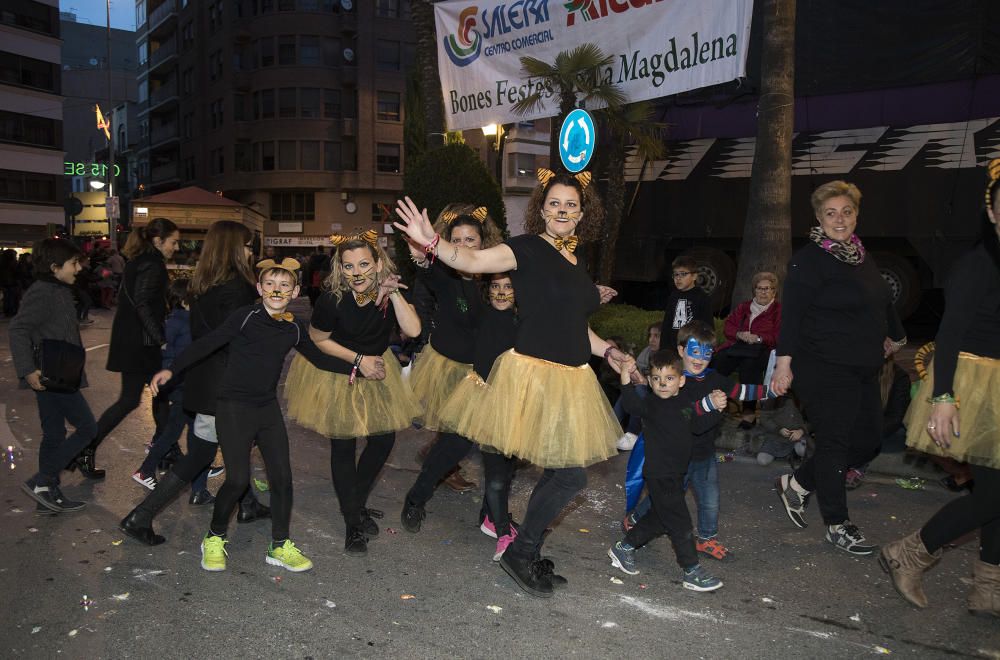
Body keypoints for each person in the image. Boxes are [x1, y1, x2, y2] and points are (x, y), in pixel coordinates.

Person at [394, 168, 630, 598]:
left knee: (566, 475)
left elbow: (574, 327)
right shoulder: (525, 250)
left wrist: (610, 352)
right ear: (542, 210)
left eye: (570, 205)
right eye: (554, 203)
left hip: (571, 379)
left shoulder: (577, 263)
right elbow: (471, 260)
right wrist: (432, 242)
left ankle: (522, 551)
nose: (562, 210)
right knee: (569, 477)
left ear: (582, 214)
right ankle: (521, 552)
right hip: (536, 379)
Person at [879, 159, 1000, 616]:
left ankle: (989, 587)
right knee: (994, 493)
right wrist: (944, 398)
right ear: (992, 212)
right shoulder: (979, 263)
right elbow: (949, 335)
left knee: (996, 490)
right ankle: (910, 552)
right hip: (973, 382)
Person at [149, 259, 313, 572]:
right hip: (233, 407)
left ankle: (279, 545)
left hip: (266, 408)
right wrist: (171, 369)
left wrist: (358, 366)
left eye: (284, 285)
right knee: (237, 480)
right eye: (270, 284)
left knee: (283, 479)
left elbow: (319, 358)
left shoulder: (293, 328)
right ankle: (214, 537)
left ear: (295, 291)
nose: (276, 290)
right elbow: (207, 344)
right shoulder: (245, 316)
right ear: (259, 288)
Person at [771, 180, 907, 556]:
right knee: (834, 442)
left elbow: (881, 300)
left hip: (864, 364)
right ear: (818, 218)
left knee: (868, 441)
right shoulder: (808, 260)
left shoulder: (861, 255)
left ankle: (797, 484)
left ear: (857, 214)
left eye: (846, 211)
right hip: (822, 365)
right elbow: (792, 317)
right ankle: (837, 525)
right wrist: (783, 365)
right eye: (830, 213)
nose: (839, 219)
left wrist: (894, 336)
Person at [119, 220, 265, 546]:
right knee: (200, 456)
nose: (249, 250)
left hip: (205, 381)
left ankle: (249, 505)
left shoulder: (203, 283)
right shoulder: (239, 287)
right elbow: (236, 340)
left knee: (232, 448)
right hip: (227, 387)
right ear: (232, 248)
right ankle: (140, 517)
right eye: (246, 244)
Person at [282, 230, 421, 556]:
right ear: (339, 269)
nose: (357, 273)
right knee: (343, 445)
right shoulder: (332, 299)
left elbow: (413, 330)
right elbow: (317, 339)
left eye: (363, 264)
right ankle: (351, 523)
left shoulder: (389, 293)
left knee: (383, 440)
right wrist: (359, 362)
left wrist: (394, 294)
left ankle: (354, 503)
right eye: (348, 266)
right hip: (338, 370)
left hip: (378, 371)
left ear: (377, 264)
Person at [623, 321, 773, 562]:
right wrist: (710, 405)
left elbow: (742, 392)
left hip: (704, 455)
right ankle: (636, 519)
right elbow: (683, 415)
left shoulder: (715, 379)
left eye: (707, 353)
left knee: (710, 498)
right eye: (694, 351)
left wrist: (772, 390)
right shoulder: (672, 383)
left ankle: (707, 538)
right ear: (682, 351)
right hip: (676, 458)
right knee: (664, 498)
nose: (700, 358)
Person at [401, 205, 504, 533]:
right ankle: (416, 498)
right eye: (455, 239)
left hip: (492, 373)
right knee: (456, 443)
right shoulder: (444, 272)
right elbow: (427, 270)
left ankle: (492, 515)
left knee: (498, 448)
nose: (462, 245)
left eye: (470, 239)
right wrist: (420, 253)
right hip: (451, 370)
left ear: (484, 242)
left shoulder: (498, 277)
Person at [608, 352, 724, 592]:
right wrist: (624, 375)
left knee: (661, 519)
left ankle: (624, 547)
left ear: (681, 381)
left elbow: (698, 426)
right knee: (680, 524)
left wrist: (716, 408)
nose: (662, 383)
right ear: (650, 381)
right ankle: (691, 570)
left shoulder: (684, 404)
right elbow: (630, 404)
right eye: (657, 378)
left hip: (676, 474)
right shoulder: (651, 404)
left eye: (669, 378)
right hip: (660, 474)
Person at [72, 218, 179, 479]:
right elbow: (142, 304)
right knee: (140, 398)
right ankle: (86, 446)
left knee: (159, 396)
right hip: (141, 344)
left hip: (135, 341)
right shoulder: (152, 264)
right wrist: (160, 338)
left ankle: (169, 450)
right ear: (158, 240)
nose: (176, 247)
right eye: (173, 242)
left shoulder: (140, 261)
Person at [436, 273, 521, 559]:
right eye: (495, 287)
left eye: (508, 287)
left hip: (518, 403)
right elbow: (455, 289)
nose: (501, 292)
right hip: (485, 402)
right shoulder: (481, 315)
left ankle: (491, 517)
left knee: (508, 468)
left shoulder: (526, 321)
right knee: (496, 473)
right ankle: (502, 534)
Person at [10, 239, 97, 513]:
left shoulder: (57, 289)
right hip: (51, 375)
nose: (79, 268)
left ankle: (46, 495)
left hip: (57, 374)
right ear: (54, 267)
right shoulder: (44, 292)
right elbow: (19, 329)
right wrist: (26, 370)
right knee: (87, 428)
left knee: (54, 432)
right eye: (74, 263)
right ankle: (43, 480)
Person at [129, 279, 212, 503]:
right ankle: (196, 483)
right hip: (182, 386)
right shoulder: (182, 322)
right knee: (195, 437)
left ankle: (198, 485)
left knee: (178, 434)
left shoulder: (179, 320)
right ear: (186, 299)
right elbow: (174, 355)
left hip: (182, 386)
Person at [712, 271, 781, 429]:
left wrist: (759, 338)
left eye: (767, 288)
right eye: (759, 288)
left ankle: (748, 413)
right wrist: (739, 334)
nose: (763, 292)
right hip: (740, 346)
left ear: (773, 291)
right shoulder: (744, 307)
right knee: (719, 361)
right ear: (754, 290)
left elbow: (779, 335)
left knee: (749, 365)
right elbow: (728, 327)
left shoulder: (778, 310)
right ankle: (717, 404)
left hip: (764, 349)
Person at [844, 355, 911, 489]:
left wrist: (867, 432)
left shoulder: (899, 377)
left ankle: (856, 467)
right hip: (858, 427)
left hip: (886, 432)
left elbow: (895, 418)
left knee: (864, 437)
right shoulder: (856, 370)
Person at [615, 323, 661, 451]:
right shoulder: (646, 352)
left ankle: (632, 433)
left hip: (659, 394)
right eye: (650, 335)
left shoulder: (665, 356)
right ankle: (610, 428)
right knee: (628, 392)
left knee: (639, 390)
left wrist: (644, 382)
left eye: (656, 336)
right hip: (645, 388)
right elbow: (640, 374)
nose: (652, 339)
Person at [659, 255, 712, 350]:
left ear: (694, 276)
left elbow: (707, 326)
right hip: (672, 347)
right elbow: (667, 324)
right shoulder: (673, 296)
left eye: (683, 274)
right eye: (675, 274)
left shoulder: (701, 297)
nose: (678, 278)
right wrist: (663, 348)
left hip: (692, 348)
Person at [752, 396, 807, 467]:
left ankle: (794, 453)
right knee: (762, 460)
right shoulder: (774, 396)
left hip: (797, 437)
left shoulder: (805, 396)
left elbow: (814, 421)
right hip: (775, 437)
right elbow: (764, 418)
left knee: (803, 450)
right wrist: (778, 429)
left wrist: (801, 431)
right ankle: (787, 454)